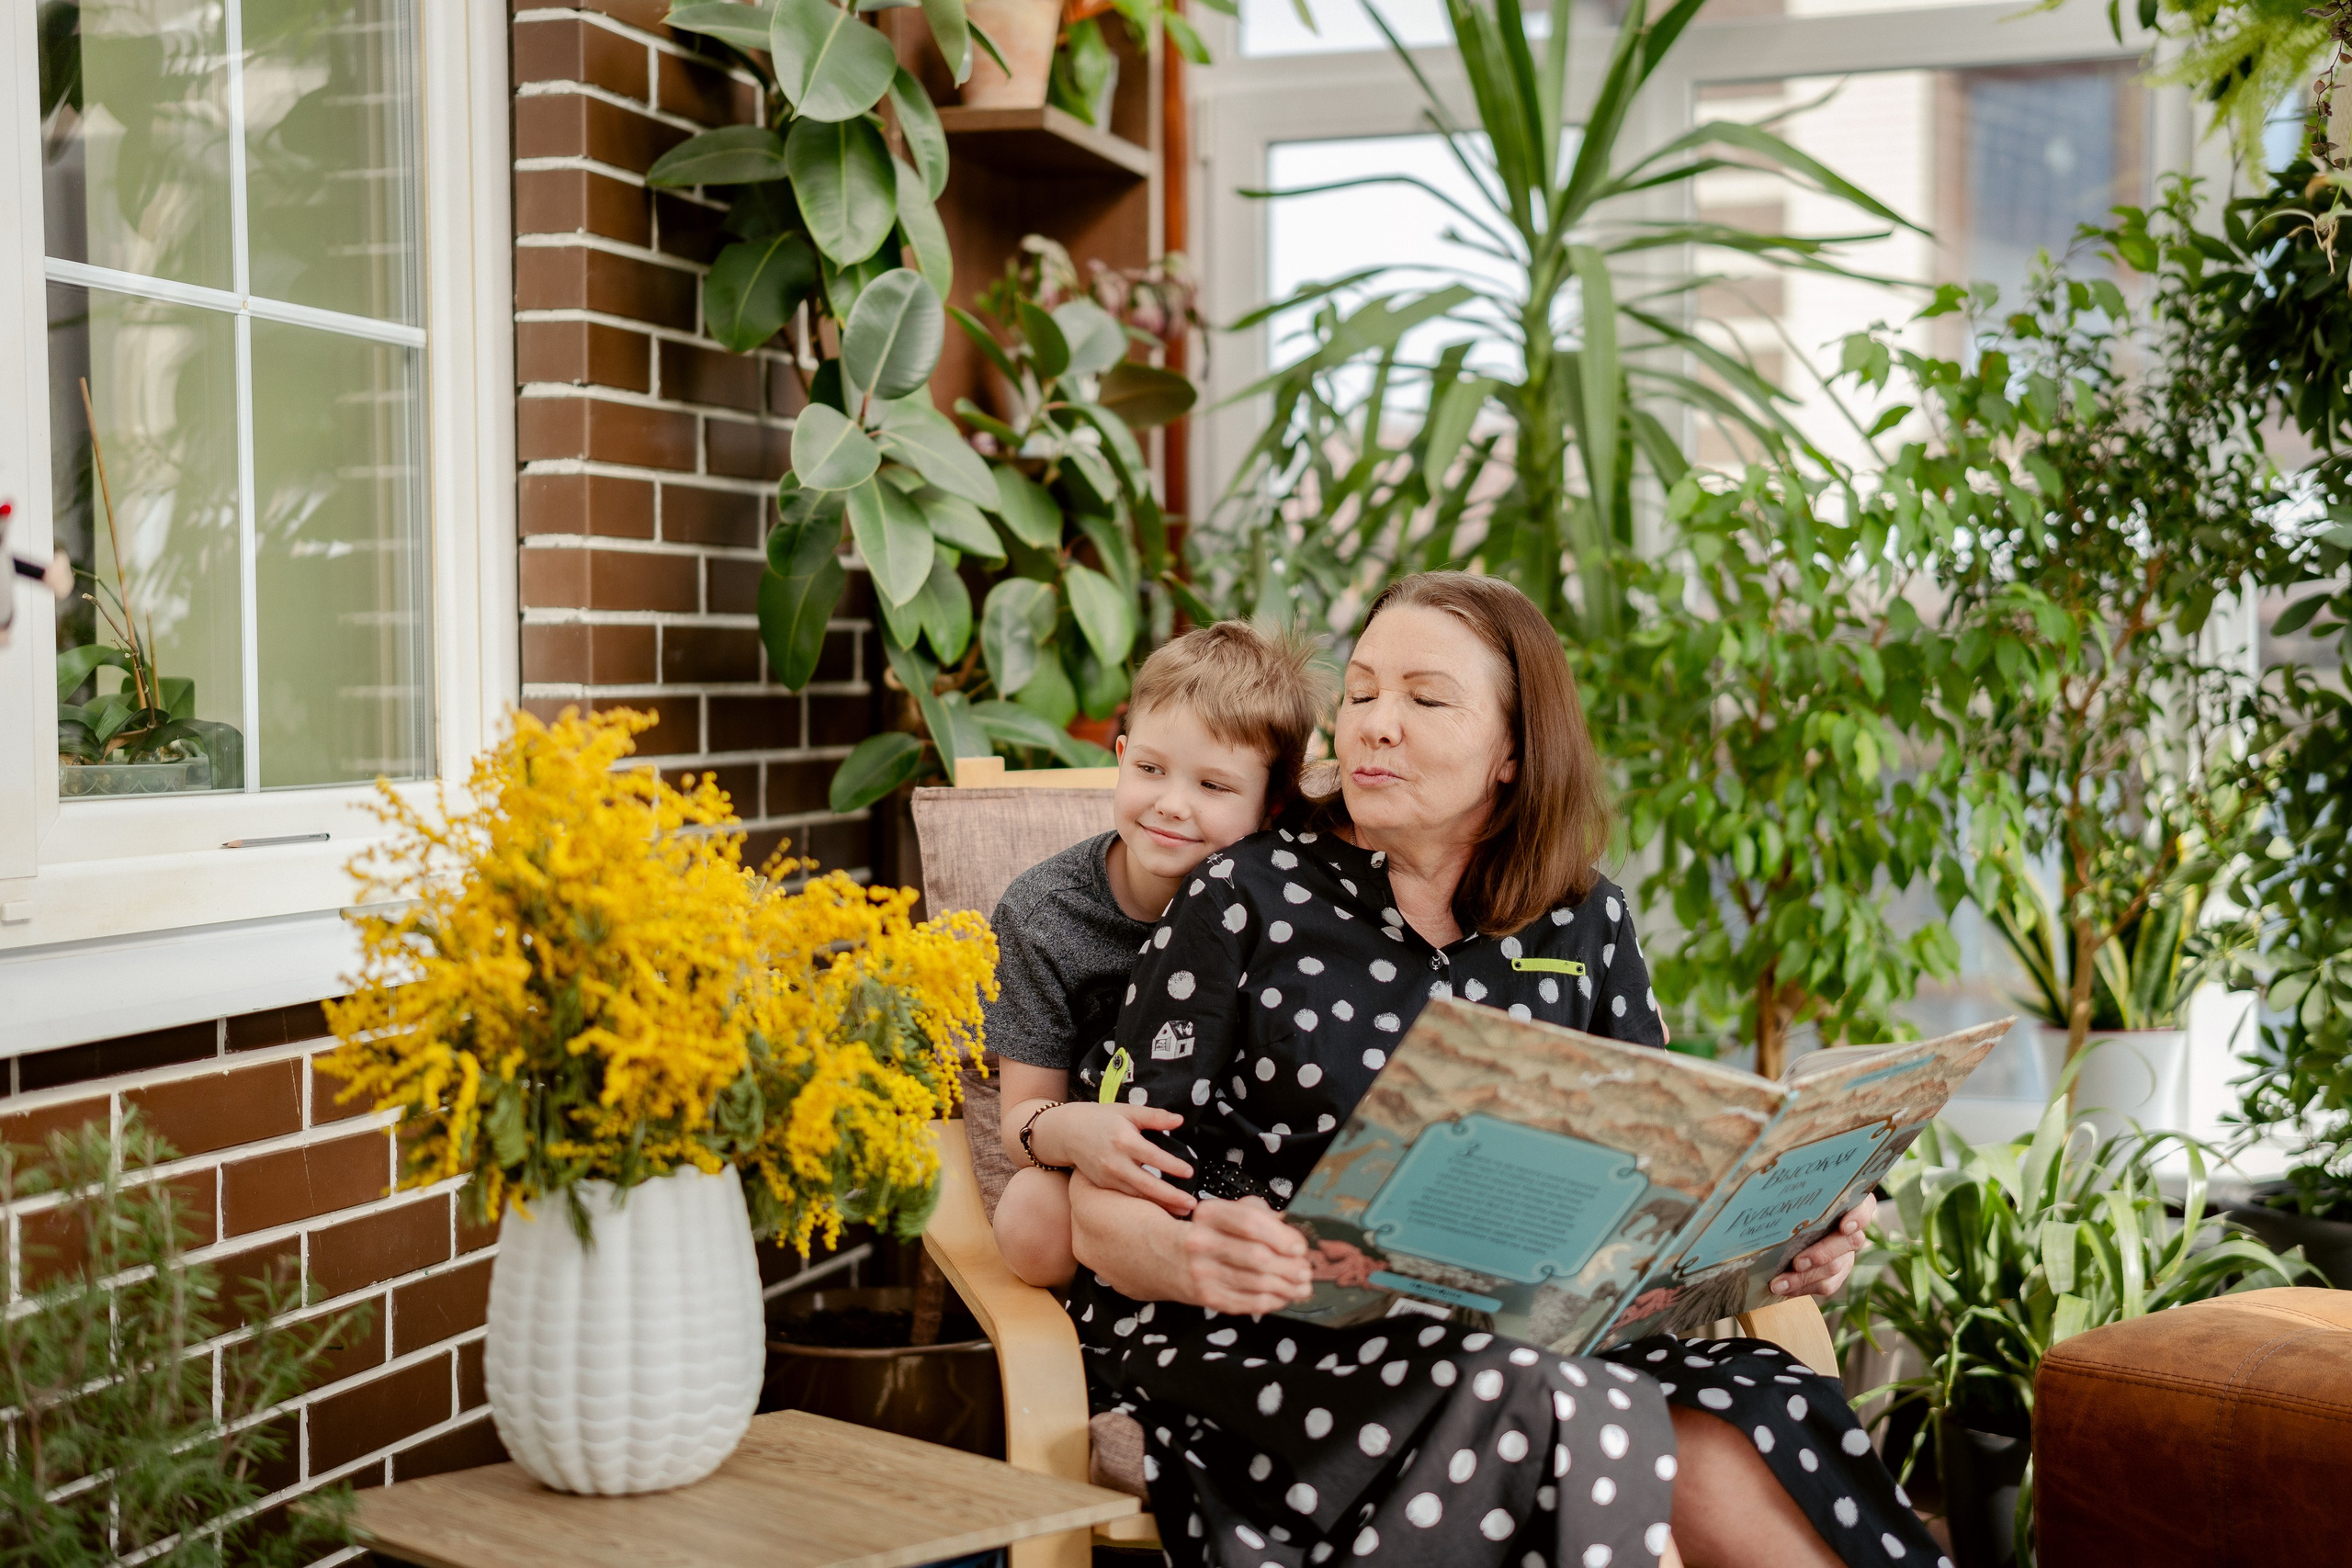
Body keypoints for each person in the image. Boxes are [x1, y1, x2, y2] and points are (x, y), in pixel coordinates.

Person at [1063, 574, 1944, 1568]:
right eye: (1357, 695)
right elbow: (1096, 1211)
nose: (1373, 727)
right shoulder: (1244, 895)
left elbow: (1667, 1177)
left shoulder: (1585, 918)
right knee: (1539, 1394)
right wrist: (1194, 1256)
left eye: (1424, 700)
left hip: (1545, 1335)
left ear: (1514, 753)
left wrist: (1784, 1245)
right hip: (1279, 1339)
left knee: (1755, 1403)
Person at [987, 621, 1334, 1287]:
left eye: (1213, 786)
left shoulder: (1286, 897)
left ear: (1273, 804)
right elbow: (1020, 1118)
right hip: (1112, 1156)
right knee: (1031, 1218)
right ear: (1119, 757)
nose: (1172, 805)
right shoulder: (1045, 915)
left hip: (1242, 1159)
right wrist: (1078, 1131)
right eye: (1150, 769)